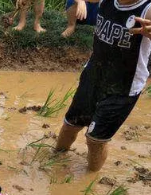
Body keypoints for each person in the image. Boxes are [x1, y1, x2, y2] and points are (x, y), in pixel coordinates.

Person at [55, 0, 151, 171]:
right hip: (94, 75)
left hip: (124, 86)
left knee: (95, 139)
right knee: (71, 124)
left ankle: (89, 182)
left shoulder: (147, 9)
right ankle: (53, 161)